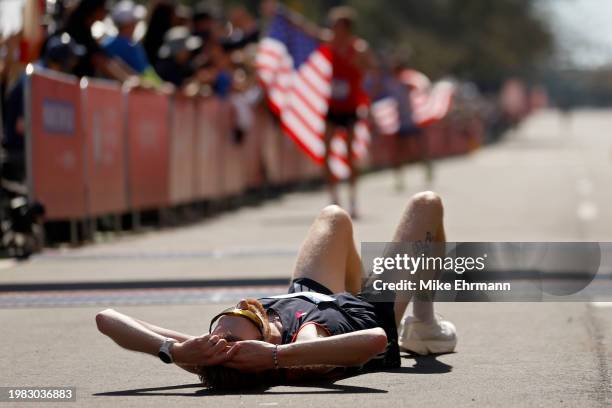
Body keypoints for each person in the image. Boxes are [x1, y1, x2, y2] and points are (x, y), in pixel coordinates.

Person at [96, 191, 457, 389]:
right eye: (244, 315)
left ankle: (395, 300)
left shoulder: (213, 351)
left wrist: (173, 350)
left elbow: (107, 318)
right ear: (258, 345)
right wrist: (275, 359)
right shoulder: (301, 343)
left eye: (221, 323)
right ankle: (422, 322)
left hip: (311, 293)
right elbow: (375, 340)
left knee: (334, 217)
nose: (239, 307)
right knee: (426, 205)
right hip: (366, 309)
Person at [2, 33, 85, 182]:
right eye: (71, 61)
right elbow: (22, 126)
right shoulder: (37, 77)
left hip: (31, 151)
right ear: (61, 61)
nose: (73, 65)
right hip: (21, 153)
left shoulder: (44, 75)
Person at [323, 7, 370, 218]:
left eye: (338, 26)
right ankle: (334, 199)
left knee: (350, 155)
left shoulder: (358, 47)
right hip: (333, 107)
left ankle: (353, 200)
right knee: (326, 153)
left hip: (350, 107)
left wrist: (355, 61)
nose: (334, 30)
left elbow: (369, 67)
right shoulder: (329, 44)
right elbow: (308, 32)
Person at [102, 0, 163, 87]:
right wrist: (161, 86)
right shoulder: (131, 47)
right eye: (134, 21)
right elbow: (147, 73)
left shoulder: (106, 43)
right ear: (128, 24)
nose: (136, 24)